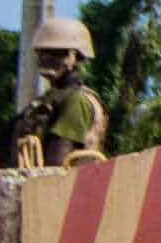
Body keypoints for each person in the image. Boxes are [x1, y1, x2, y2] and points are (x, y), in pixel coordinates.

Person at [13, 16, 107, 167]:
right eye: (43, 52)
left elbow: (56, 166)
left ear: (77, 57)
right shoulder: (43, 102)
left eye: (59, 53)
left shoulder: (77, 100)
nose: (48, 58)